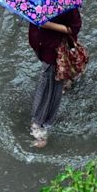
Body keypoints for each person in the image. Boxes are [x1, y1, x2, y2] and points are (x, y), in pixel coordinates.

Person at [28, 8, 82, 147]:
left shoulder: (65, 3)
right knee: (52, 79)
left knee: (48, 85)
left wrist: (46, 23)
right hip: (42, 44)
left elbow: (74, 28)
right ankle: (68, 80)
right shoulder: (35, 0)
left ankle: (40, 126)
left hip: (54, 51)